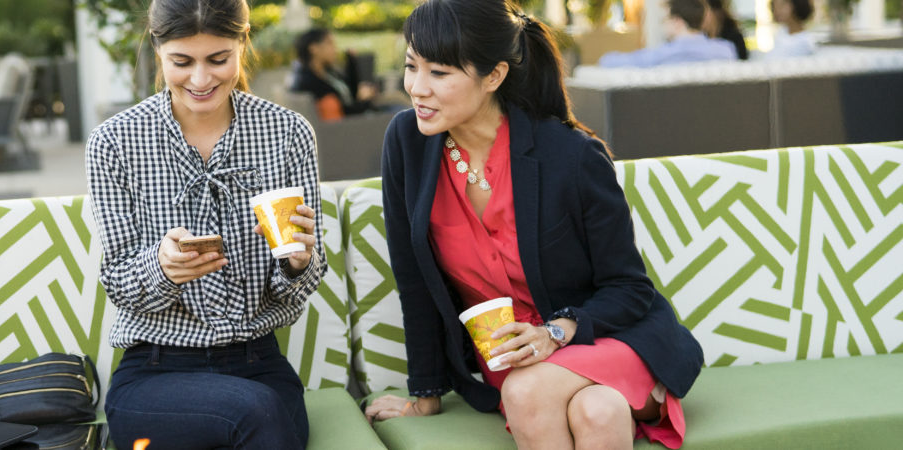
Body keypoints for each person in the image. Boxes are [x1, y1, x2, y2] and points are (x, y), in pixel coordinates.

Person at [362, 1, 704, 449]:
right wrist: (425, 394)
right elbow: (413, 276)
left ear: (494, 76)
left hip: (605, 340)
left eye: (439, 74)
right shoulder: (408, 142)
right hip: (513, 359)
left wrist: (555, 333)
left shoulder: (572, 156)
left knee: (526, 391)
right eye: (411, 67)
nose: (417, 88)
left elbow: (630, 289)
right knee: (597, 410)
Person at [85, 0, 327, 448]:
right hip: (155, 372)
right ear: (158, 50)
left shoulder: (287, 133)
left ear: (242, 44)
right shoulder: (114, 142)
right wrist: (162, 268)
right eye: (182, 62)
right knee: (259, 415)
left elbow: (300, 280)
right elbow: (118, 282)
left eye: (218, 60)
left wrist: (298, 263)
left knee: (261, 412)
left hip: (258, 362)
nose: (200, 80)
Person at [599, 0, 736, 67]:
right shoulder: (727, 50)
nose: (662, 25)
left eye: (664, 20)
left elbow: (607, 61)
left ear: (677, 21)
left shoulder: (663, 55)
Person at [290, 28, 379, 120]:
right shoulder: (309, 82)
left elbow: (351, 94)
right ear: (314, 48)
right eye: (330, 43)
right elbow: (344, 113)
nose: (335, 49)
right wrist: (365, 102)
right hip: (353, 126)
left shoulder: (328, 73)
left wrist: (351, 62)